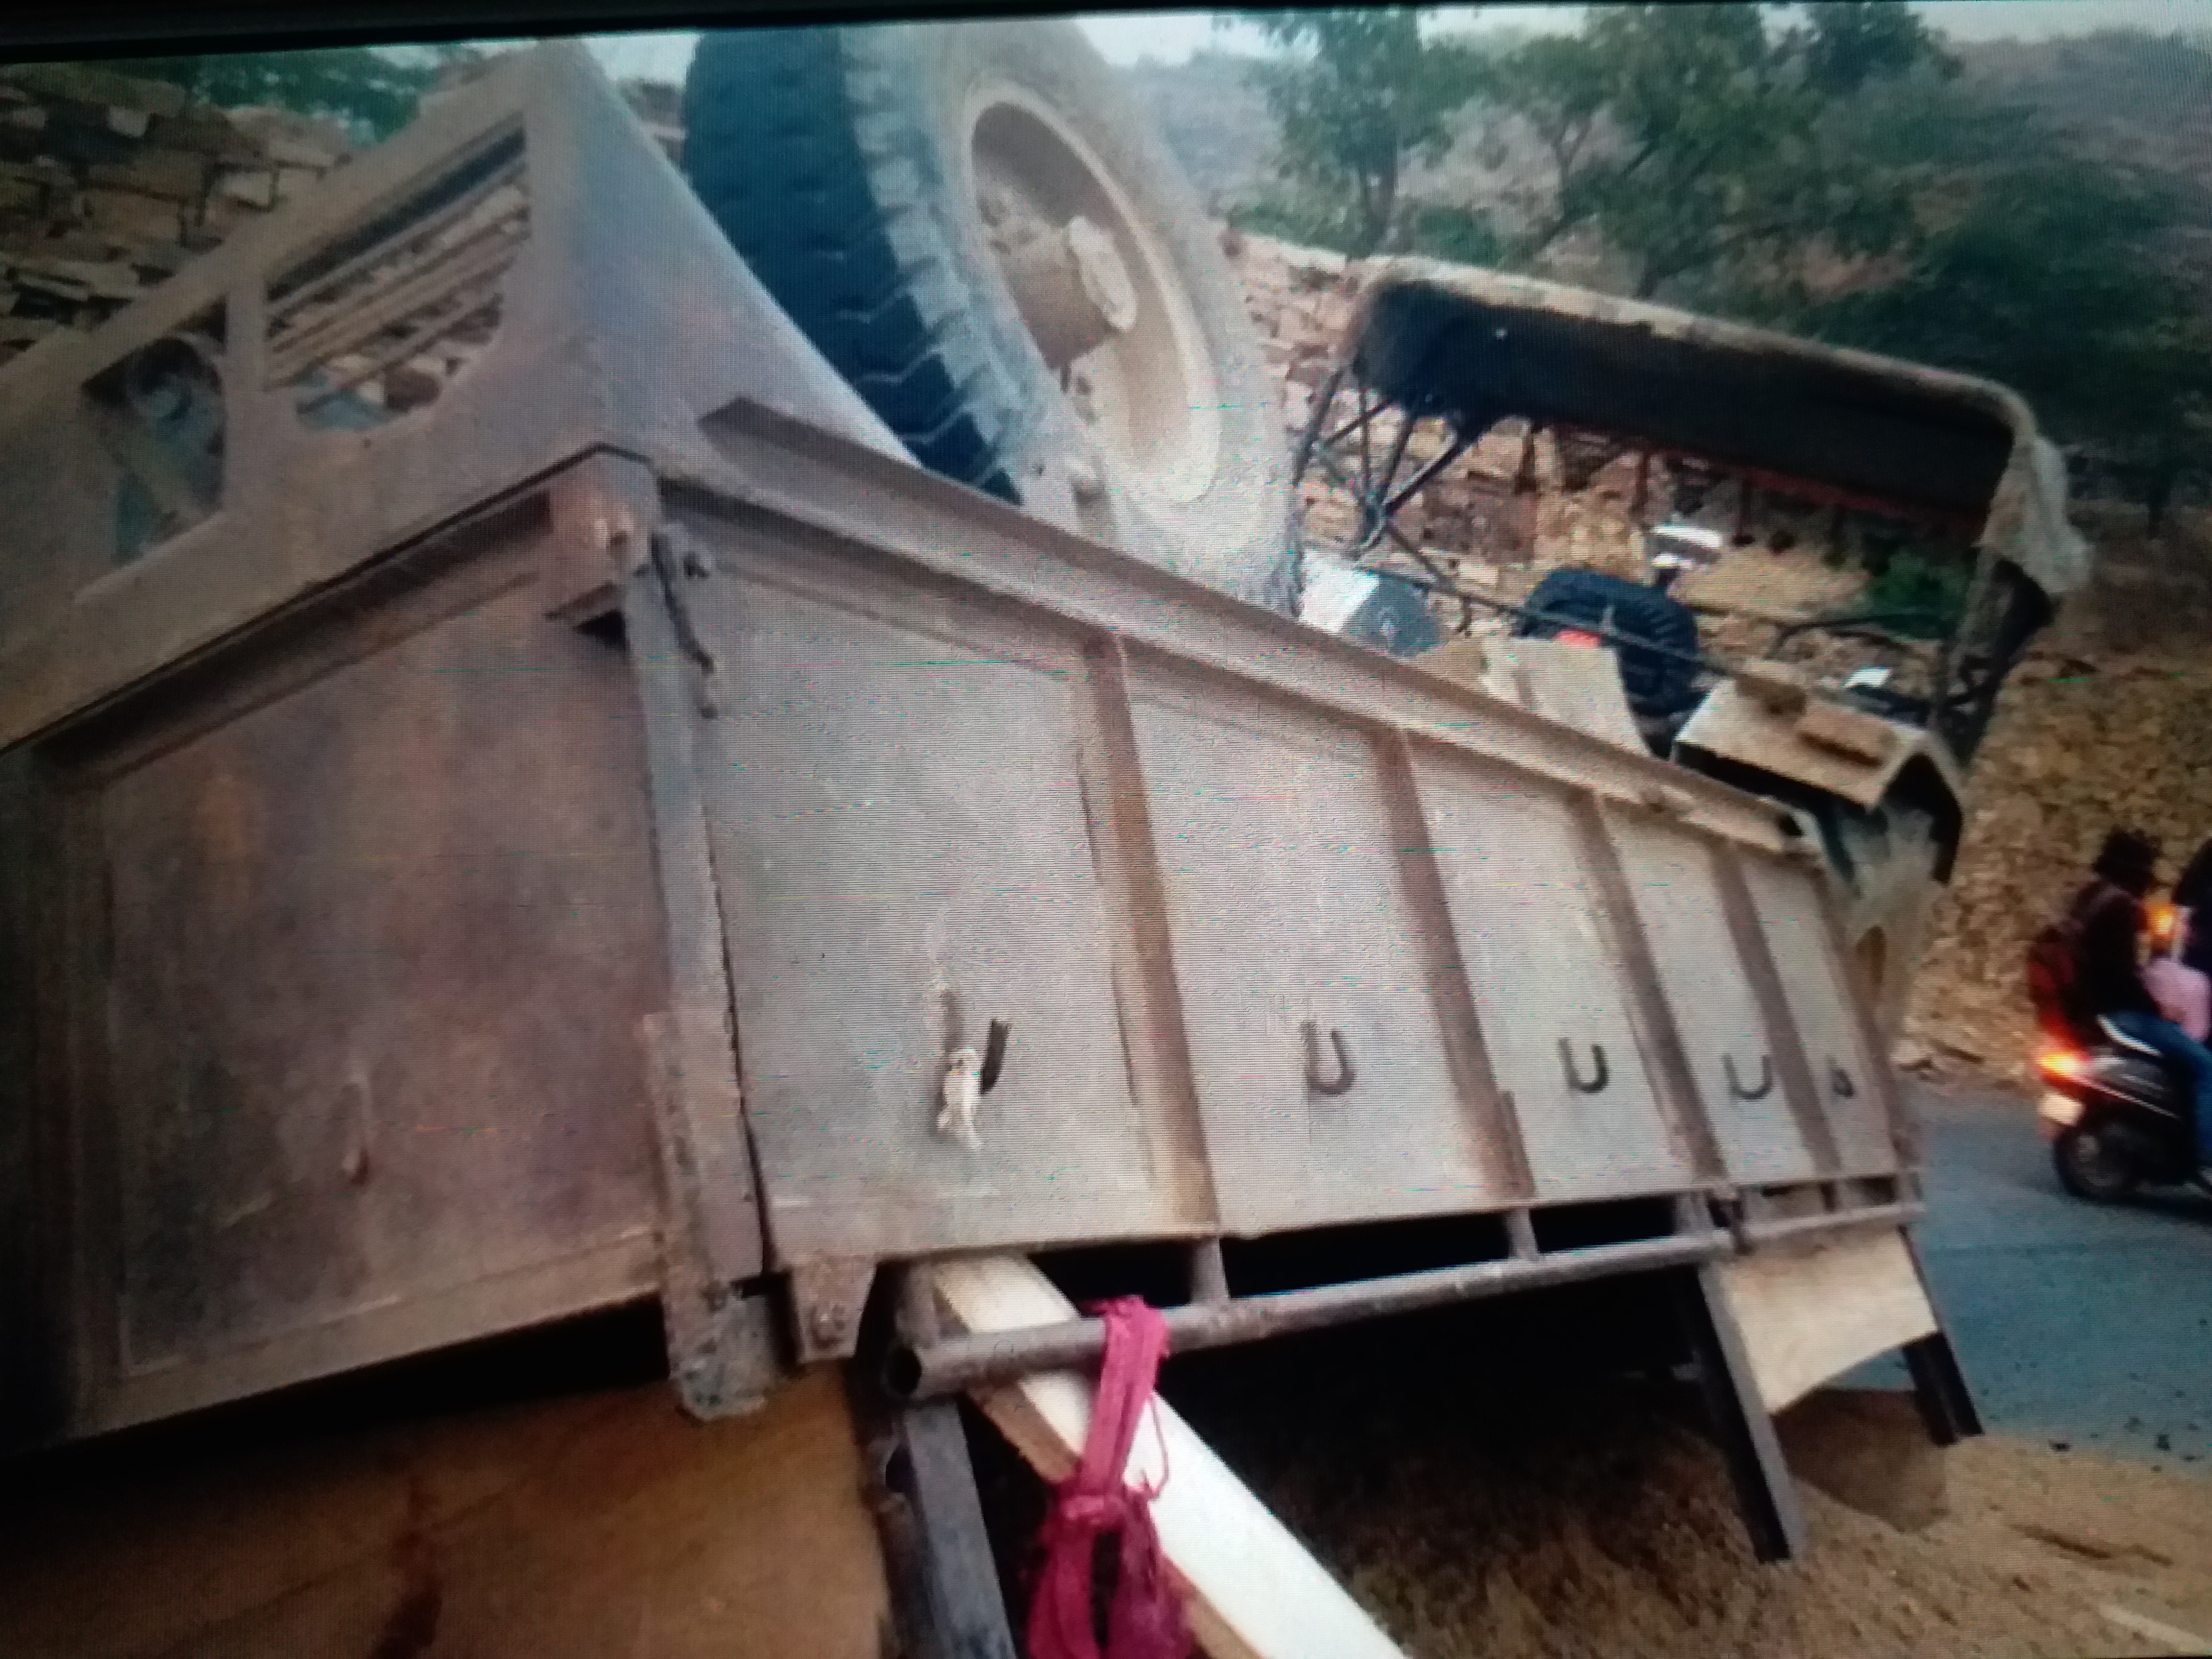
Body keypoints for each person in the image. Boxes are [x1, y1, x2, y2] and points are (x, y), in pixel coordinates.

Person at [2073, 829, 2212, 1185]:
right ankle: (2207, 1158)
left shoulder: (2091, 897)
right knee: (2205, 1064)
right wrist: (2156, 1008)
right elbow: (2121, 976)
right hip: (2122, 1012)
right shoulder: (2120, 909)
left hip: (2092, 1004)